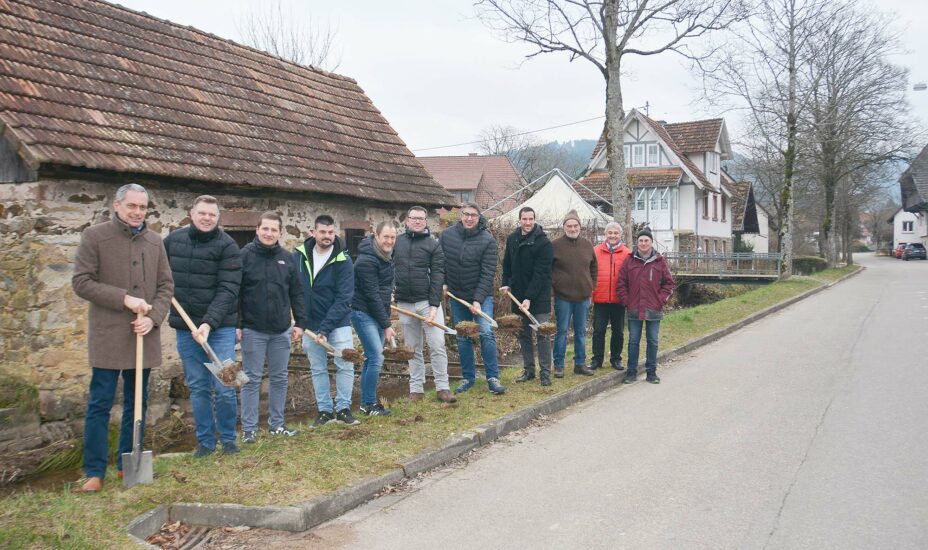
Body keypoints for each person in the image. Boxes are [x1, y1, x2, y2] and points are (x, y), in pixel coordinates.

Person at [71, 183, 174, 493]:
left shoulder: (154, 241)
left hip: (142, 336)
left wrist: (154, 319)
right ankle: (94, 472)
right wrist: (124, 299)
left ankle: (125, 464)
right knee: (100, 403)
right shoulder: (95, 236)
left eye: (142, 207)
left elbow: (166, 287)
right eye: (132, 206)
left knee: (137, 403)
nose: (137, 212)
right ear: (116, 205)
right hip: (108, 335)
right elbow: (81, 282)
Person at [164, 195, 242, 456]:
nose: (207, 218)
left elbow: (228, 288)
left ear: (218, 217)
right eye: (202, 213)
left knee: (225, 386)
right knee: (198, 387)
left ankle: (228, 439)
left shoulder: (228, 246)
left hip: (220, 328)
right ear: (192, 214)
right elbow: (158, 275)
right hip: (186, 328)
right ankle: (206, 443)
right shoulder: (173, 242)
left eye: (212, 214)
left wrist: (209, 322)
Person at [237, 212, 307, 444]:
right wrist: (237, 324)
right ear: (257, 230)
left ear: (280, 233)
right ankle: (249, 429)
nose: (269, 233)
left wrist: (301, 323)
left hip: (281, 330)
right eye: (265, 229)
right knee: (251, 379)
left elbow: (297, 292)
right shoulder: (244, 256)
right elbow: (235, 293)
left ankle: (277, 424)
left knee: (279, 378)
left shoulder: (287, 259)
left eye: (273, 230)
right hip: (253, 329)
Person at [295, 215, 360, 427]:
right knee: (318, 368)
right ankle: (324, 411)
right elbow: (293, 288)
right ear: (313, 232)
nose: (327, 236)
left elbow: (344, 298)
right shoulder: (299, 256)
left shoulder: (343, 260)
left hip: (338, 323)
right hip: (309, 324)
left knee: (345, 364)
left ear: (335, 233)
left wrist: (325, 328)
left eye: (331, 232)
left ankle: (343, 409)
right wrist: (299, 320)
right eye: (322, 232)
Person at [439, 203, 506, 395]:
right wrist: (444, 283)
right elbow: (440, 262)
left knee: (486, 333)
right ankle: (468, 378)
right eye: (466, 214)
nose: (469, 218)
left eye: (473, 215)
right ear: (461, 215)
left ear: (479, 218)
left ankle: (493, 378)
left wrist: (477, 300)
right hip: (457, 295)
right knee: (463, 336)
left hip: (481, 296)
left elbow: (488, 272)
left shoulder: (487, 240)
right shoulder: (446, 235)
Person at [394, 206, 456, 403]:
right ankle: (416, 390)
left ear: (426, 221)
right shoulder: (397, 242)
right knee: (412, 349)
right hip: (404, 304)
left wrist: (434, 306)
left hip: (427, 304)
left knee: (437, 345)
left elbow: (438, 275)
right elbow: (388, 268)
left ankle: (443, 388)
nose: (417, 221)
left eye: (421, 218)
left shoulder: (433, 245)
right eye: (414, 218)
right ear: (407, 220)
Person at [502, 207, 554, 386]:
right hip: (518, 295)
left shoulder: (544, 243)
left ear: (535, 219)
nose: (528, 222)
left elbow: (541, 274)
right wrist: (506, 283)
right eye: (524, 219)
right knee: (523, 334)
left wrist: (529, 297)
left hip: (539, 296)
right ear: (520, 220)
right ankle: (529, 370)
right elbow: (507, 265)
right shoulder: (512, 239)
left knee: (542, 334)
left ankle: (545, 372)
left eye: (531, 219)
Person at [617, 228, 675, 384]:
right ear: (637, 243)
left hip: (654, 308)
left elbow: (669, 284)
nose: (643, 243)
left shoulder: (660, 261)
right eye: (641, 240)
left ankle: (651, 373)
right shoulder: (629, 260)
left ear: (651, 242)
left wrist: (660, 300)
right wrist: (626, 301)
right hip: (634, 308)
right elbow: (621, 283)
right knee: (633, 341)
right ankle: (631, 373)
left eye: (646, 240)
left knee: (653, 341)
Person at [351, 222, 398, 416]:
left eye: (393, 238)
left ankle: (366, 404)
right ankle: (369, 404)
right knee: (376, 357)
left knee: (372, 358)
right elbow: (372, 295)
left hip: (377, 313)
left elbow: (384, 293)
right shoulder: (366, 261)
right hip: (363, 312)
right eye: (386, 237)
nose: (389, 241)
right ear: (376, 236)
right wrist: (387, 325)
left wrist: (385, 318)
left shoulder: (386, 257)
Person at [551, 210, 596, 378]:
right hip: (563, 297)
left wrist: (591, 286)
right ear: (564, 227)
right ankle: (559, 365)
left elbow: (594, 268)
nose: (572, 228)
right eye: (569, 226)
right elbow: (548, 269)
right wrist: (553, 290)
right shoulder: (555, 245)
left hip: (583, 297)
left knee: (581, 332)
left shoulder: (587, 245)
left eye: (575, 225)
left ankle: (580, 363)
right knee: (562, 331)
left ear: (580, 226)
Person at [590, 222, 631, 371]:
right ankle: (597, 359)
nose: (613, 236)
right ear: (605, 234)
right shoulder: (595, 251)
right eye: (610, 233)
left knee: (618, 331)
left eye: (616, 233)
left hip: (619, 299)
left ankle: (616, 359)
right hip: (600, 298)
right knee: (598, 331)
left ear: (620, 235)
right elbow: (589, 273)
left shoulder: (627, 253)